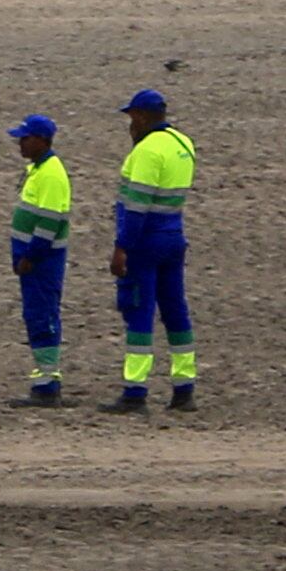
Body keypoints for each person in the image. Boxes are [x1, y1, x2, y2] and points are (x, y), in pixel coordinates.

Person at [108, 87, 198, 412]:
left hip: (146, 242)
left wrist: (122, 248)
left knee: (139, 312)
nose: (130, 125)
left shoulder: (147, 151)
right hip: (175, 235)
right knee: (176, 311)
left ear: (143, 117)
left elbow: (136, 208)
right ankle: (184, 386)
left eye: (132, 118)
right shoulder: (183, 143)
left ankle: (135, 391)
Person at [4, 115, 72, 402]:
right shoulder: (39, 169)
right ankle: (44, 379)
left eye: (25, 137)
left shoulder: (51, 174)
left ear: (42, 140)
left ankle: (47, 384)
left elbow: (50, 220)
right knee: (36, 315)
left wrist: (31, 256)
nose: (20, 143)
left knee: (43, 316)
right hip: (34, 260)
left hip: (43, 261)